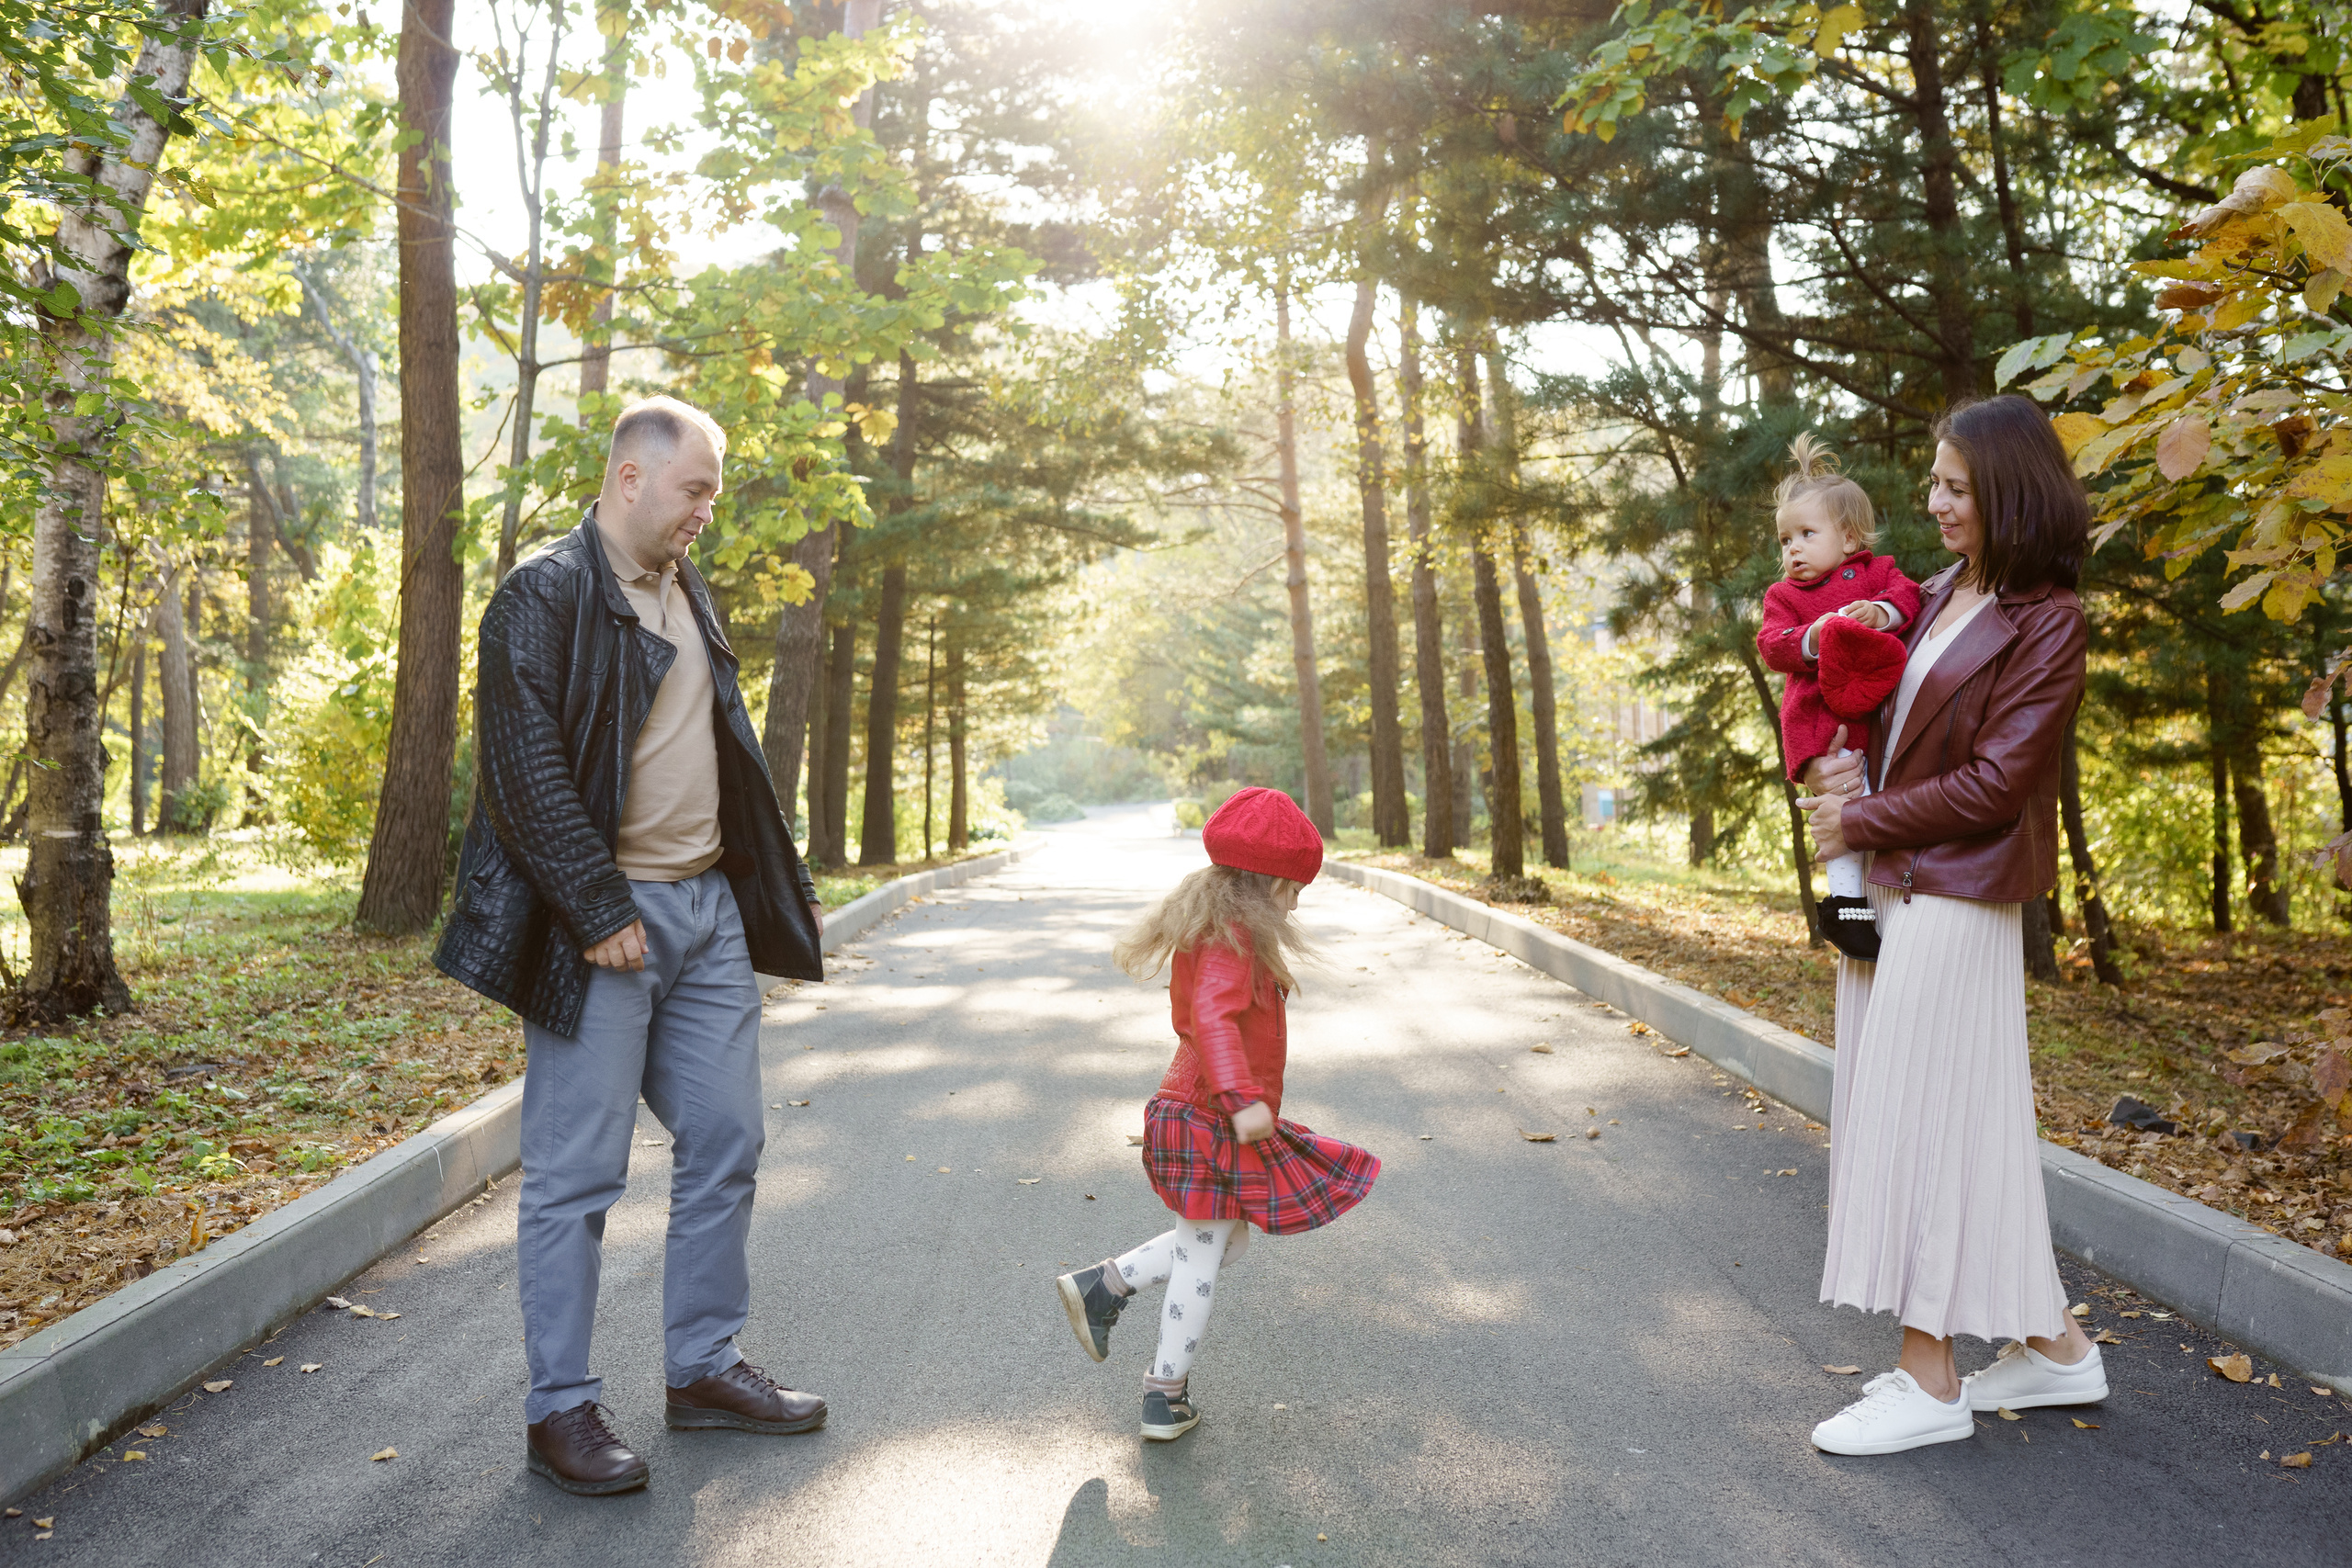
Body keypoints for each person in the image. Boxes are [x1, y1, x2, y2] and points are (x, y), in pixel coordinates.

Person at [435, 395, 829, 1496]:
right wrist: (596, 906)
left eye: (713, 492)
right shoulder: (545, 592)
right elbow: (522, 770)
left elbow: (722, 750)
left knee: (729, 1138)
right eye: (695, 489)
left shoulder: (686, 587)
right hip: (603, 926)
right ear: (629, 477)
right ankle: (559, 1409)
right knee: (578, 1174)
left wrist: (763, 894)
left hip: (705, 917)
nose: (706, 509)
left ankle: (702, 1368)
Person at [1794, 394, 2103, 1456]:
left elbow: (1999, 782)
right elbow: (1887, 721)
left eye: (1955, 487)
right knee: (1961, 1124)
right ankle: (2058, 1348)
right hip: (1891, 880)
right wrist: (1847, 771)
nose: (1932, 502)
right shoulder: (1930, 594)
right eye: (1931, 481)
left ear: (2010, 492)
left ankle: (1929, 1382)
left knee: (1920, 1119)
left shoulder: (2048, 620)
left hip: (1958, 891)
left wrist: (1861, 817)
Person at [1053, 787, 1379, 1441]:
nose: (1296, 902)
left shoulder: (1223, 931)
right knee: (1203, 1255)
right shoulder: (1233, 939)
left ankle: (1106, 1284)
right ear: (1265, 883)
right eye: (1293, 888)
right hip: (1209, 1114)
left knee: (1226, 1242)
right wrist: (1239, 1099)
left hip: (1199, 1111)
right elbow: (1212, 1018)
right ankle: (1163, 1395)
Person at [1756, 434, 1921, 962]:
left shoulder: (1876, 572)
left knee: (1877, 799)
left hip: (1876, 713)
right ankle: (1846, 906)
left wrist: (1882, 614)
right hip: (1820, 721)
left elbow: (1908, 595)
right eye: (1785, 540)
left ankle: (1891, 888)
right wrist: (1814, 636)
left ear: (1849, 539)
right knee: (1843, 805)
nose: (1793, 549)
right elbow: (1771, 645)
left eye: (1807, 534)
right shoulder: (1785, 596)